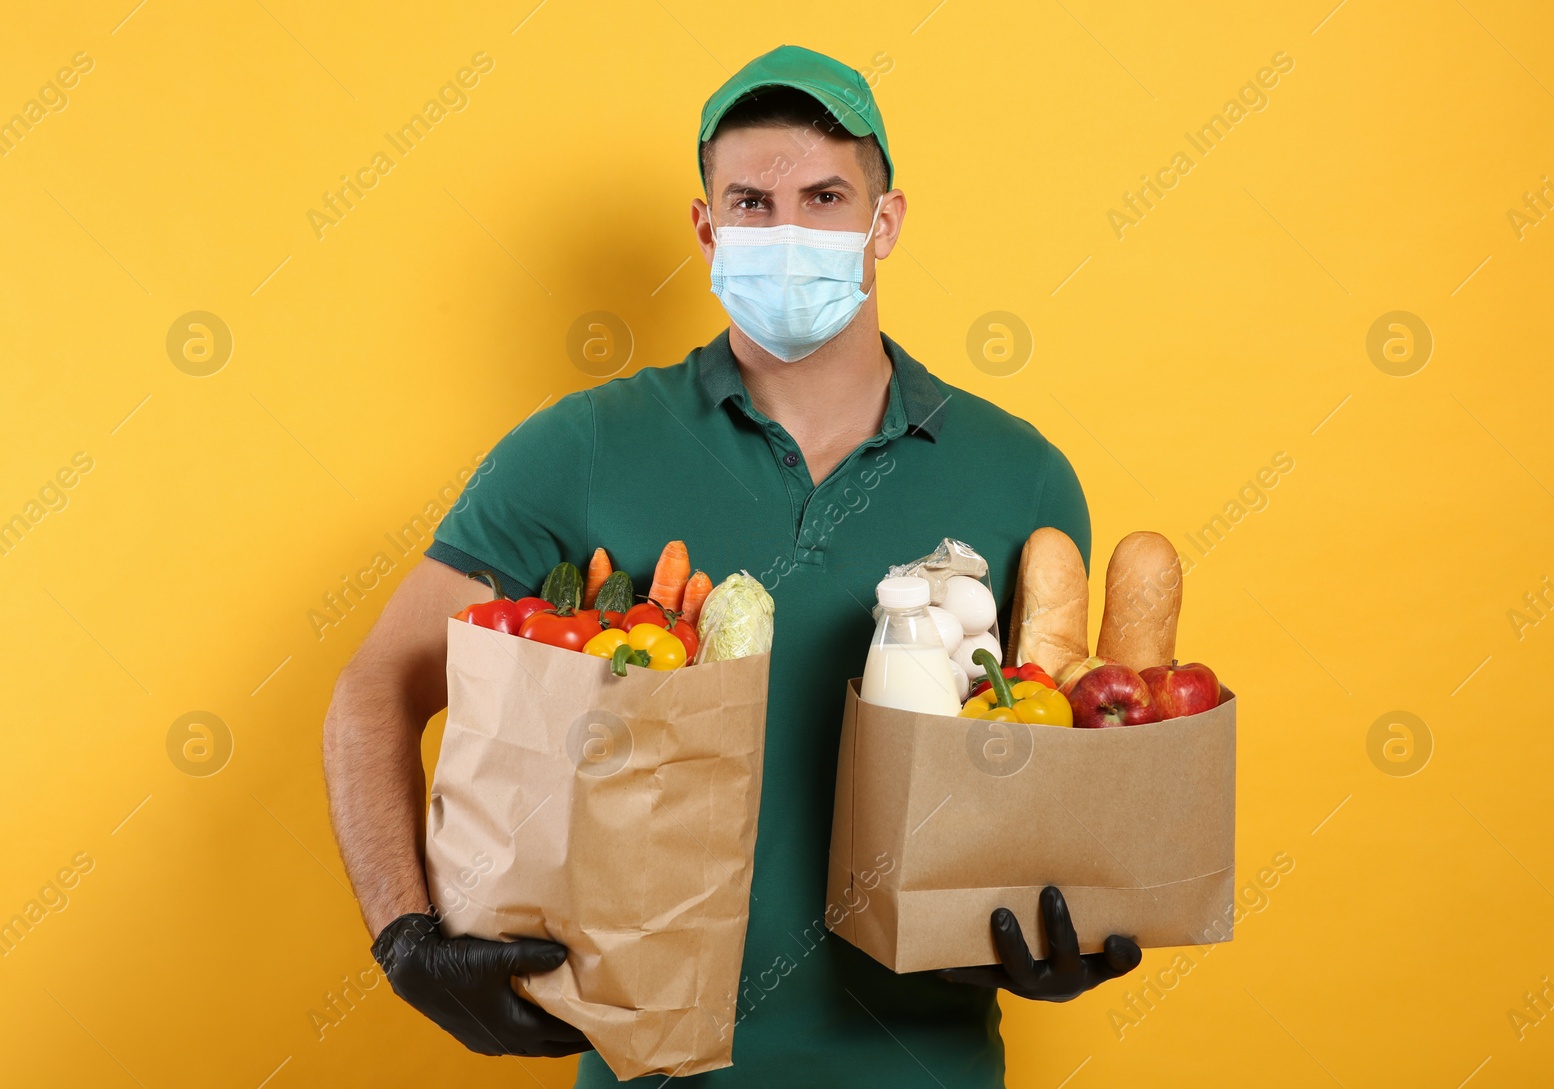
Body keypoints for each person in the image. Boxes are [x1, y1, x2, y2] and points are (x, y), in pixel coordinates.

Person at [322, 44, 1141, 1087]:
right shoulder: (579, 449)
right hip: (651, 1071)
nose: (786, 230)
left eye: (825, 196)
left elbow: (1052, 759)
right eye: (751, 202)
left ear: (883, 225)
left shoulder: (1019, 477)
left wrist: (1078, 917)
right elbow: (373, 691)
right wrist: (404, 934)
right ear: (706, 230)